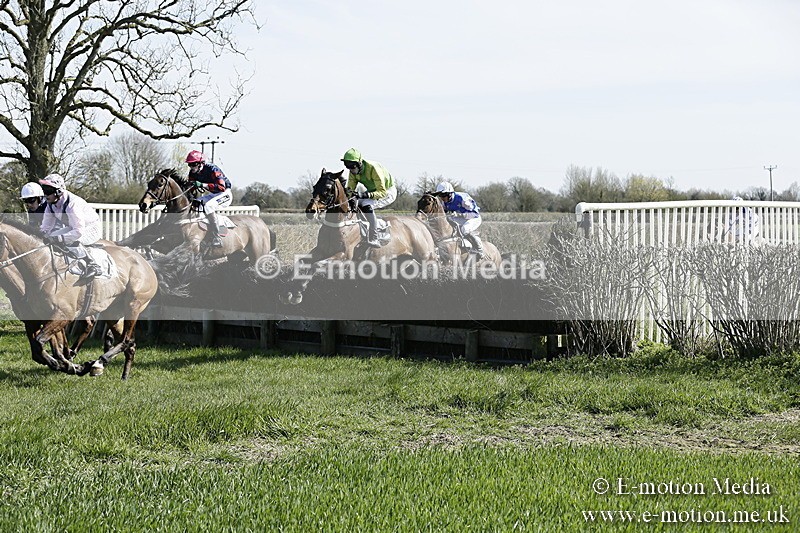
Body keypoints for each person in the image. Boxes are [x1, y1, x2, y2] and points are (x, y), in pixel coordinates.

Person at [38, 173, 104, 280]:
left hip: (91, 228)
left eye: (48, 191)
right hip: (75, 227)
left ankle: (93, 265)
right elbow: (45, 227)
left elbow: (78, 232)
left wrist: (59, 238)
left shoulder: (72, 205)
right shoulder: (50, 205)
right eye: (43, 191)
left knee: (67, 240)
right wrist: (39, 236)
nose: (45, 194)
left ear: (58, 191)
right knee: (51, 236)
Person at [342, 148, 397, 247]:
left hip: (387, 192)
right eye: (347, 166)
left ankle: (374, 237)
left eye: (352, 166)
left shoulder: (373, 168)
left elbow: (382, 192)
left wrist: (364, 195)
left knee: (366, 204)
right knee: (355, 203)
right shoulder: (353, 172)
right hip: (373, 191)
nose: (350, 170)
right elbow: (350, 190)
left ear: (359, 163)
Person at [186, 150, 232, 247]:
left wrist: (202, 185)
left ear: (200, 163)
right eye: (189, 165)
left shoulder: (212, 169)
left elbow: (221, 187)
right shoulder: (192, 173)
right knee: (195, 204)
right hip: (213, 194)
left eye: (193, 164)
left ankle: (216, 236)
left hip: (225, 194)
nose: (191, 167)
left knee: (208, 206)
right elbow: (191, 188)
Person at [435, 181, 484, 257]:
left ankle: (479, 249)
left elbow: (475, 214)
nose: (442, 198)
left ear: (450, 193)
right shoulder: (444, 202)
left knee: (464, 229)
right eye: (440, 196)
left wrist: (459, 215)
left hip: (474, 218)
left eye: (444, 195)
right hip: (460, 218)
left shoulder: (463, 199)